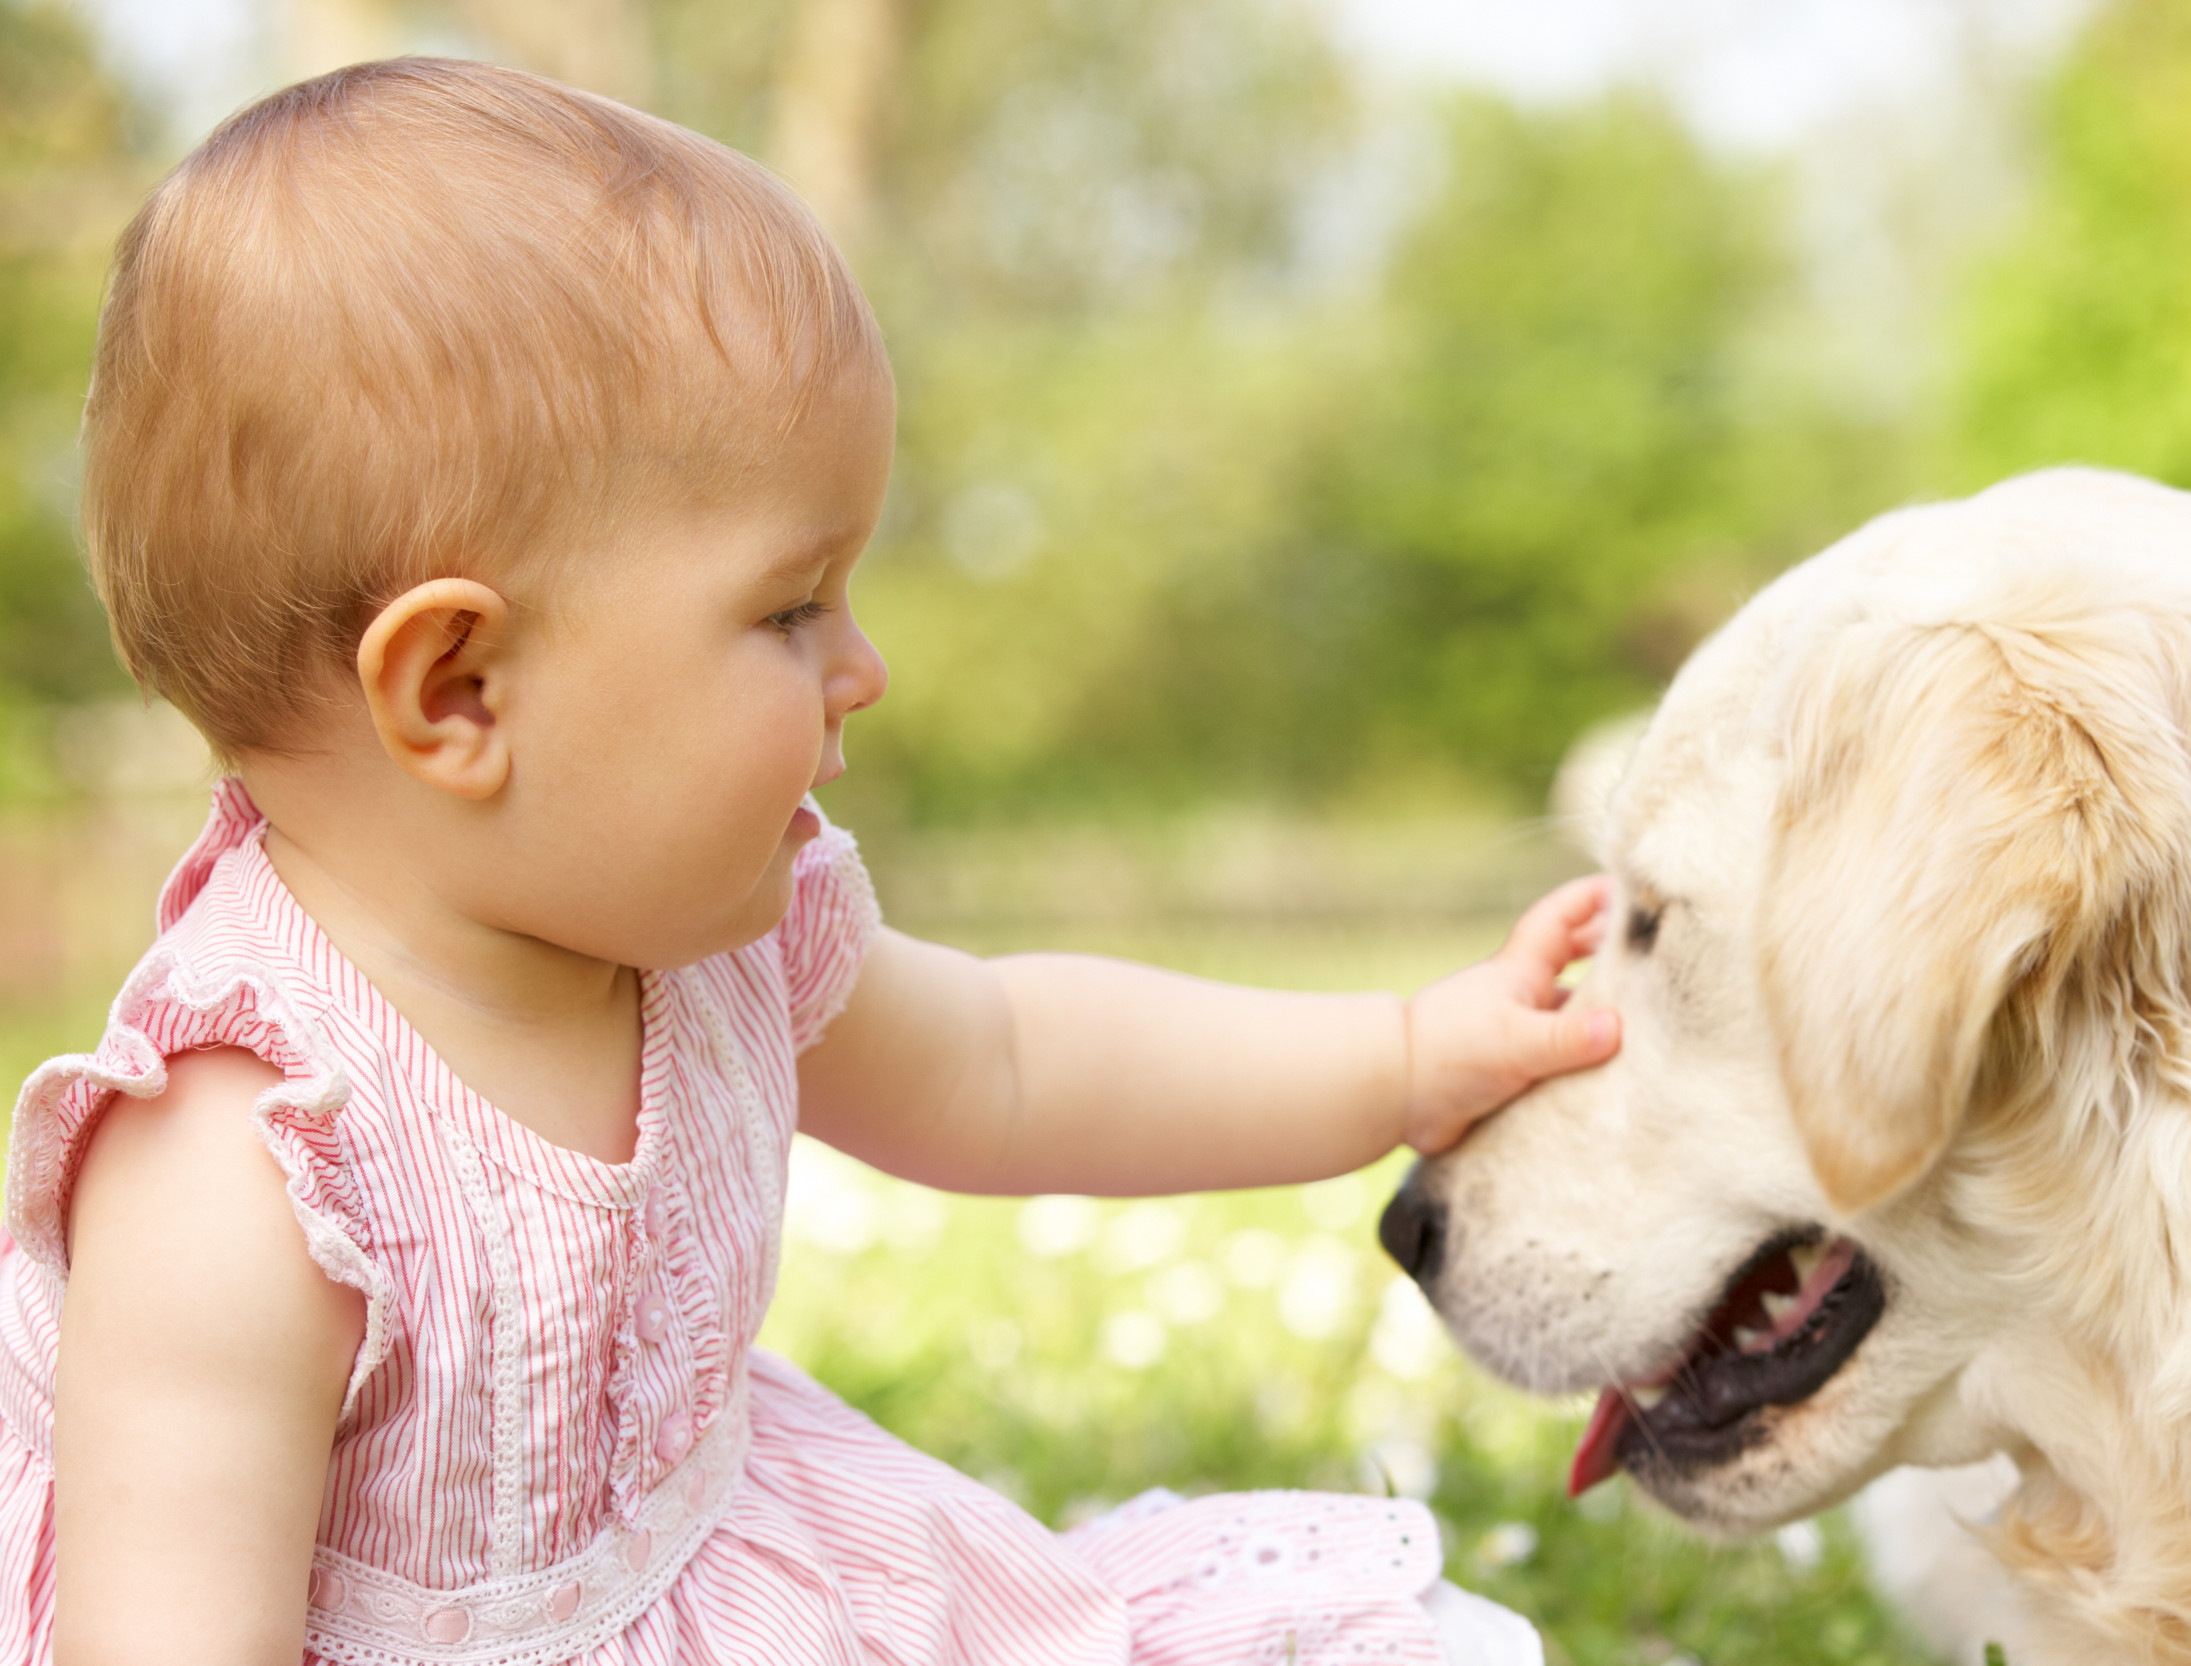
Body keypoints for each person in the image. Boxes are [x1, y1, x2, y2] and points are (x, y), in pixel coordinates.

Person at [2, 57, 1623, 1666]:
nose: (863, 668)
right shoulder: (246, 1160)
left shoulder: (714, 931)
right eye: (791, 607)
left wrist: (1404, 1054)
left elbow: (1012, 1059)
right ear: (459, 690)